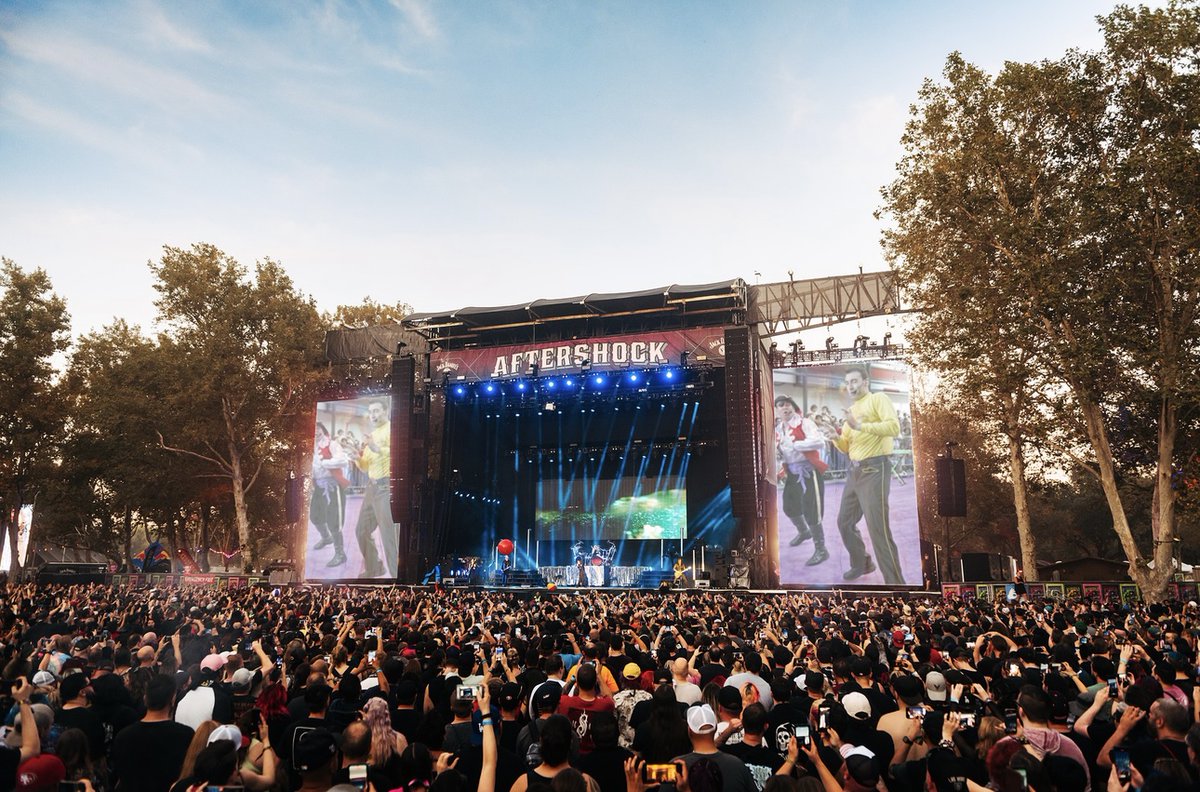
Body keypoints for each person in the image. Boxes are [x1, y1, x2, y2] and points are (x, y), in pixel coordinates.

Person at [831, 365, 904, 584]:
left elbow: (893, 428)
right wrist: (833, 437)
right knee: (844, 522)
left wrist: (860, 425)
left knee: (877, 529)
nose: (850, 386)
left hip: (875, 469)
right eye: (848, 382)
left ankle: (896, 586)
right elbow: (845, 446)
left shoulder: (878, 399)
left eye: (854, 381)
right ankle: (862, 563)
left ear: (866, 382)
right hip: (854, 472)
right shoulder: (850, 411)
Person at [774, 395, 830, 567]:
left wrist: (796, 446)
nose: (785, 408)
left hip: (808, 472)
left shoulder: (805, 422)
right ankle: (804, 532)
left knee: (811, 510)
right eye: (781, 405)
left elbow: (819, 441)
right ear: (777, 410)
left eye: (788, 405)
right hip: (791, 473)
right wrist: (778, 454)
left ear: (793, 406)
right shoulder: (779, 428)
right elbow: (780, 449)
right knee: (789, 507)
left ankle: (821, 549)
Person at [350, 400, 397, 578]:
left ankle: (397, 578)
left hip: (387, 486)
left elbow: (395, 452)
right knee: (361, 530)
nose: (373, 415)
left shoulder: (392, 429)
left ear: (386, 411)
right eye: (370, 412)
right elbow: (365, 466)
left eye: (376, 411)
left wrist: (375, 447)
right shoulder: (372, 434)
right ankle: (375, 567)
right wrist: (356, 456)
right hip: (372, 488)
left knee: (388, 537)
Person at [311, 421, 348, 567]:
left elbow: (343, 460)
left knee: (334, 521)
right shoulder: (311, 447)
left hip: (333, 486)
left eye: (318, 429)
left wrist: (325, 464)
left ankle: (340, 553)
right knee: (315, 516)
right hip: (319, 487)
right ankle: (326, 538)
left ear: (322, 429)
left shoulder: (332, 444)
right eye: (313, 429)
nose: (316, 432)